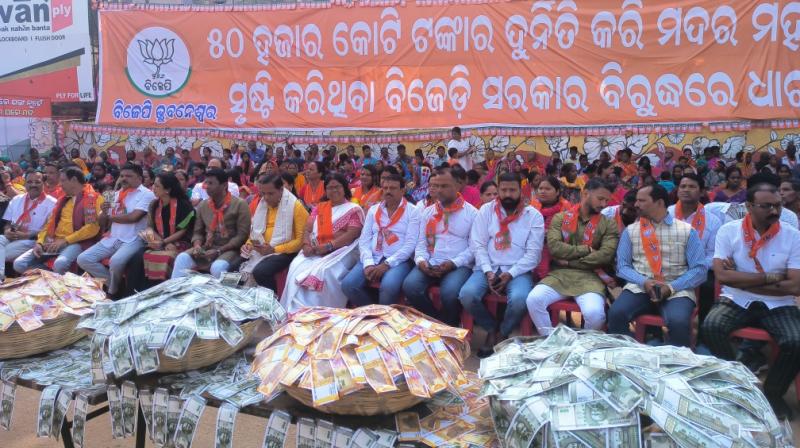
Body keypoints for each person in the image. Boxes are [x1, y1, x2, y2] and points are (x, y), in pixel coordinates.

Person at [702, 181, 800, 420]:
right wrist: (769, 277)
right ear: (749, 206)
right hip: (737, 298)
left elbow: (795, 285)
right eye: (766, 206)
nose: (774, 212)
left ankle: (773, 393)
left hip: (780, 303)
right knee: (711, 327)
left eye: (777, 205)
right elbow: (723, 276)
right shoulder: (729, 231)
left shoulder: (792, 235)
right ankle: (738, 385)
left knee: (795, 340)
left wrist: (742, 278)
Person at [607, 184, 707, 347]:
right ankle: (623, 358)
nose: (636, 204)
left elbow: (700, 270)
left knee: (678, 322)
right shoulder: (631, 231)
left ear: (659, 203)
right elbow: (622, 267)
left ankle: (677, 366)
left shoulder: (686, 231)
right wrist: (644, 281)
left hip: (676, 289)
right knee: (616, 313)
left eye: (642, 200)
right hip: (640, 287)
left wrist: (672, 287)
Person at [459, 173, 544, 356]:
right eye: (503, 190)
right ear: (498, 190)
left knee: (521, 299)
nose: (507, 194)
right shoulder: (486, 211)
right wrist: (489, 271)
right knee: (467, 294)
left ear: (521, 191)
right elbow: (478, 244)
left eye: (512, 190)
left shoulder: (533, 216)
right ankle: (491, 327)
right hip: (487, 266)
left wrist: (510, 274)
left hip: (518, 270)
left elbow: (533, 255)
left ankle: (502, 332)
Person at [526, 178, 619, 334]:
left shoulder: (609, 224)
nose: (603, 204)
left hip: (591, 278)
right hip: (559, 276)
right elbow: (555, 248)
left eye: (607, 200)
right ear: (585, 194)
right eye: (600, 198)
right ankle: (551, 341)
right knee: (533, 300)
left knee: (595, 315)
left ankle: (580, 347)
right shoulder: (560, 218)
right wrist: (587, 250)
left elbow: (605, 256)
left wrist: (569, 262)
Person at [402, 166, 478, 326]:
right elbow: (421, 243)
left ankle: (449, 324)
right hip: (431, 262)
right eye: (436, 186)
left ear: (457, 186)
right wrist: (421, 261)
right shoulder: (428, 212)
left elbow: (474, 248)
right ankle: (438, 322)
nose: (439, 190)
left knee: (449, 292)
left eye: (444, 186)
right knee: (410, 286)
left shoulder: (472, 213)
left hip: (459, 265)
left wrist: (453, 263)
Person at [280, 174, 365, 311]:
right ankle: (296, 311)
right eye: (330, 188)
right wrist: (306, 245)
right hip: (315, 250)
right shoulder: (320, 208)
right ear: (325, 191)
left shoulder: (353, 209)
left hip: (341, 251)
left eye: (337, 187)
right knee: (296, 265)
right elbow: (307, 230)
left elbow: (352, 234)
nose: (334, 190)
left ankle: (321, 312)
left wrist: (329, 246)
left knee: (326, 272)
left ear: (344, 189)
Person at [77, 163, 156, 296]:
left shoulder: (147, 194)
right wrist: (104, 211)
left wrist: (110, 217)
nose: (124, 179)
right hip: (114, 237)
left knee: (116, 262)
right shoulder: (114, 194)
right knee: (83, 259)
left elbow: (133, 217)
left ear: (139, 178)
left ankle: (112, 292)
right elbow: (102, 222)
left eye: (129, 176)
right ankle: (114, 285)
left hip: (134, 238)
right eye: (122, 176)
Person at [342, 173, 419, 306]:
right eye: (385, 188)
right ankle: (374, 314)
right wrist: (368, 263)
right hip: (373, 256)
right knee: (348, 285)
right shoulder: (373, 210)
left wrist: (387, 264)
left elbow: (410, 244)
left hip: (399, 260)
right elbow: (364, 239)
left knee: (388, 287)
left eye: (393, 188)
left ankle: (384, 320)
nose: (388, 191)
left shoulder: (413, 211)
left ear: (402, 190)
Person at [14, 167, 104, 275]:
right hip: (53, 241)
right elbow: (49, 224)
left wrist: (65, 240)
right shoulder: (62, 199)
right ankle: (49, 277)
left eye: (63, 181)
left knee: (60, 264)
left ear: (74, 180)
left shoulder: (92, 198)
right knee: (19, 264)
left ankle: (50, 279)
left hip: (76, 242)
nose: (60, 185)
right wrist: (40, 242)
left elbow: (92, 228)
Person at [125, 172, 195, 295]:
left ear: (167, 190)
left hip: (179, 242)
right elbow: (150, 228)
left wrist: (165, 242)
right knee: (137, 257)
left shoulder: (184, 205)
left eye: (157, 186)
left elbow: (183, 230)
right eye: (154, 185)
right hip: (158, 241)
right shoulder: (154, 204)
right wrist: (159, 242)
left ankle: (161, 294)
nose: (153, 188)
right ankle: (135, 294)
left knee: (164, 258)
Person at [172, 169, 251, 279]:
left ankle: (217, 296)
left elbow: (242, 236)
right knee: (182, 258)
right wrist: (197, 245)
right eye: (206, 183)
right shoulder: (203, 205)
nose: (207, 186)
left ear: (224, 185)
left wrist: (219, 251)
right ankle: (177, 293)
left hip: (230, 249)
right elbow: (198, 232)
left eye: (211, 183)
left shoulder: (240, 204)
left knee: (217, 268)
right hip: (207, 247)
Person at [667, 173, 722, 329]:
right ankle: (655, 332)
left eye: (692, 186)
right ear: (677, 190)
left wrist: (693, 265)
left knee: (709, 287)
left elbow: (714, 255)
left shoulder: (712, 220)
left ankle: (704, 335)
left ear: (702, 191)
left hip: (698, 268)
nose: (686, 190)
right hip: (667, 266)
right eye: (683, 186)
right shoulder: (665, 214)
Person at [239, 174, 308, 292]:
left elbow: (300, 242)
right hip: (262, 248)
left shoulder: (295, 206)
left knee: (261, 272)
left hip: (286, 251)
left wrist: (274, 249)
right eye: (263, 194)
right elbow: (255, 233)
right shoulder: (262, 205)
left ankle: (272, 304)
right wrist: (249, 245)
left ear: (281, 190)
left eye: (270, 193)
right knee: (234, 266)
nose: (266, 198)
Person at [0, 172, 57, 281]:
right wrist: (7, 231)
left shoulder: (52, 203)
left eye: (37, 182)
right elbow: (7, 222)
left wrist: (26, 235)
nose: (33, 185)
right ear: (25, 184)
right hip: (13, 237)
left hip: (33, 240)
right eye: (30, 182)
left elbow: (49, 230)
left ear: (44, 184)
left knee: (4, 253)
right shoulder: (16, 200)